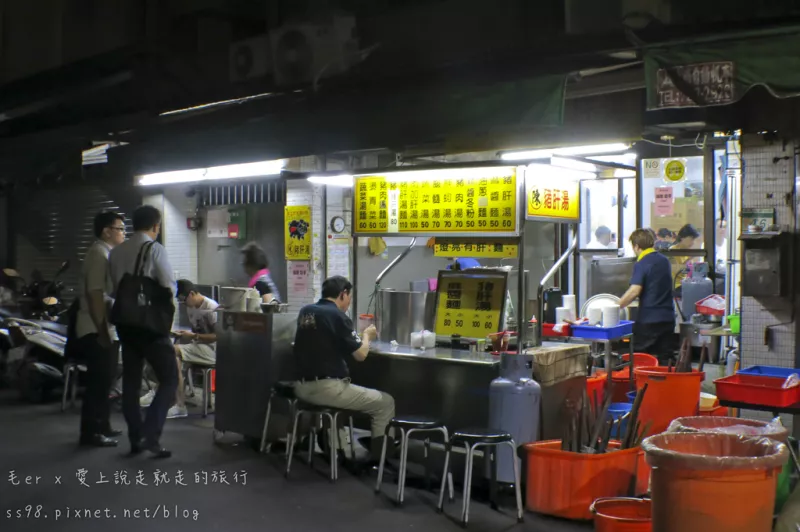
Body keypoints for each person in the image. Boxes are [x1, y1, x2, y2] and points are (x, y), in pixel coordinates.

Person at [292, 276, 395, 465]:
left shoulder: (306, 311)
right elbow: (360, 355)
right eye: (349, 297)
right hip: (326, 389)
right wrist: (367, 335)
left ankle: (336, 448)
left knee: (339, 402)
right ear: (343, 293)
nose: (349, 302)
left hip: (300, 387)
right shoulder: (338, 315)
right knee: (386, 403)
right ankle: (380, 460)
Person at [109, 205, 177, 459]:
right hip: (150, 326)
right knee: (169, 379)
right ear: (155, 226)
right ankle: (151, 434)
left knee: (131, 382)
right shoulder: (155, 250)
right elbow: (168, 287)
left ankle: (136, 437)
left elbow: (113, 287)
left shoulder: (116, 252)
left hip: (126, 325)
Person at [76, 211, 126, 447]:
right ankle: (91, 433)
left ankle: (103, 425)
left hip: (106, 327)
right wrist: (102, 332)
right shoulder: (98, 254)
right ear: (107, 231)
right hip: (95, 328)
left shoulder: (106, 254)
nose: (124, 233)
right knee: (97, 382)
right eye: (121, 229)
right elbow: (95, 294)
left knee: (105, 381)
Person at [140, 280, 218, 419]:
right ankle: (177, 403)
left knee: (170, 351)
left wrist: (194, 336)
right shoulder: (191, 308)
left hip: (213, 350)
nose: (183, 304)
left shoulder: (212, 308)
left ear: (192, 294)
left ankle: (162, 392)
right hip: (198, 346)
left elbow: (218, 336)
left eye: (183, 300)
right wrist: (183, 335)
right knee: (172, 357)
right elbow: (195, 334)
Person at [619, 228, 676, 363]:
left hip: (650, 320)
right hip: (668, 318)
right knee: (665, 358)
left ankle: (642, 383)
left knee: (640, 357)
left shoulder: (642, 263)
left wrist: (616, 306)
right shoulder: (664, 260)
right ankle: (667, 383)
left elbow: (634, 290)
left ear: (637, 246)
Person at [670, 223, 702, 290]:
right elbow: (678, 272)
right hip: (675, 286)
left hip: (685, 284)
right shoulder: (672, 252)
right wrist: (688, 260)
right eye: (691, 239)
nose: (693, 242)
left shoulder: (686, 252)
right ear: (682, 238)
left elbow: (690, 272)